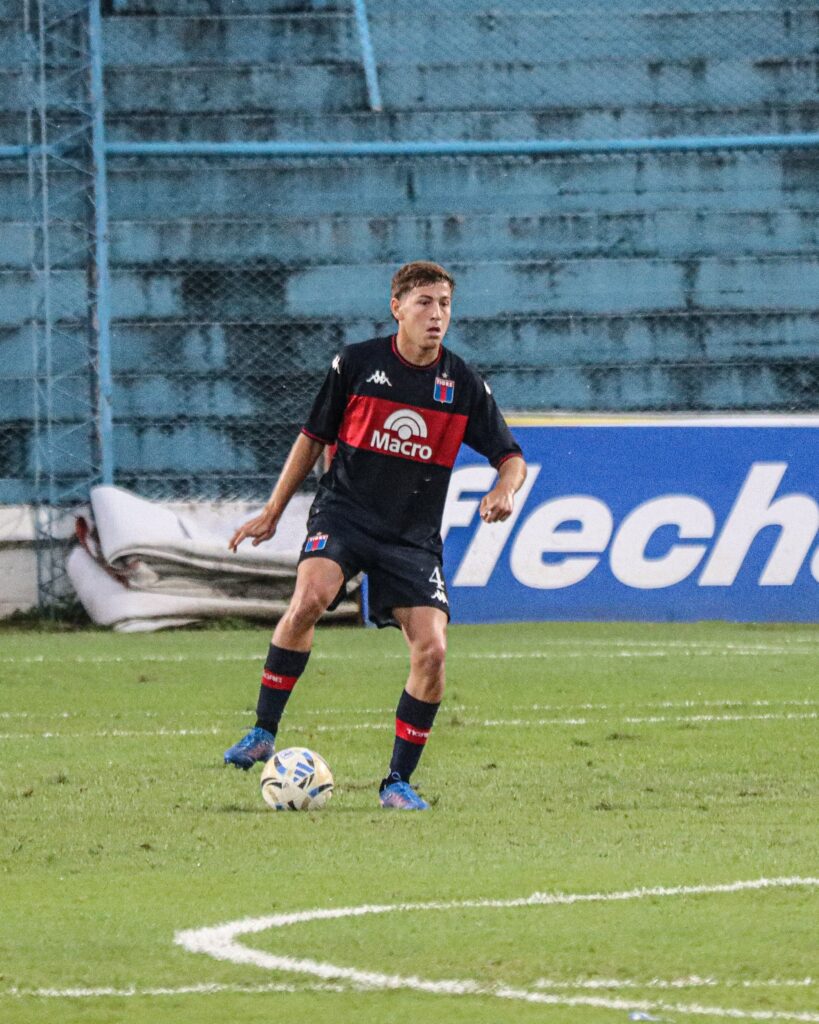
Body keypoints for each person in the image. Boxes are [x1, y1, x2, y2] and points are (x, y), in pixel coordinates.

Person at [224, 260, 527, 809]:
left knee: (432, 652)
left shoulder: (461, 384)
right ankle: (264, 730)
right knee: (310, 599)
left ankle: (396, 783)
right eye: (425, 303)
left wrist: (504, 489)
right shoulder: (357, 364)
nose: (437, 315)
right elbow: (312, 437)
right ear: (397, 308)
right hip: (344, 514)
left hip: (411, 538)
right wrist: (273, 510)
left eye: (445, 304)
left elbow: (511, 457)